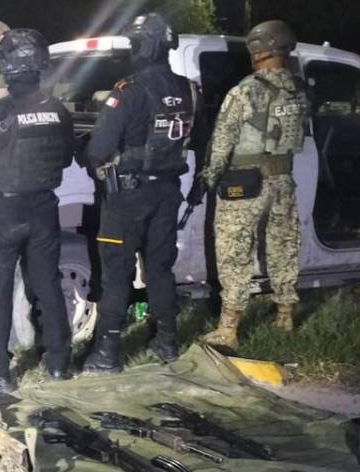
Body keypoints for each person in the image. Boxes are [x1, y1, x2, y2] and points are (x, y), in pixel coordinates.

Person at [81, 12, 204, 374]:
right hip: (167, 192)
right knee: (160, 269)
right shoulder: (189, 90)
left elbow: (99, 149)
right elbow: (197, 139)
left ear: (145, 46)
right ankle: (166, 341)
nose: (133, 50)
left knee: (116, 272)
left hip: (127, 197)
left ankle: (107, 353)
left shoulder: (129, 92)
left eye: (135, 43)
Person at [0, 28, 75, 393]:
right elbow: (66, 158)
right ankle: (58, 363)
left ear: (4, 67)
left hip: (3, 210)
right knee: (47, 283)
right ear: (40, 64)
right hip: (43, 208)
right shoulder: (58, 111)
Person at [199, 20, 309, 349]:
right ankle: (285, 316)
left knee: (234, 252)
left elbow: (222, 141)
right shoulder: (299, 89)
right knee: (283, 247)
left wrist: (210, 177)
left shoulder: (245, 91)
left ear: (259, 51)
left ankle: (228, 329)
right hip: (283, 180)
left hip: (244, 184)